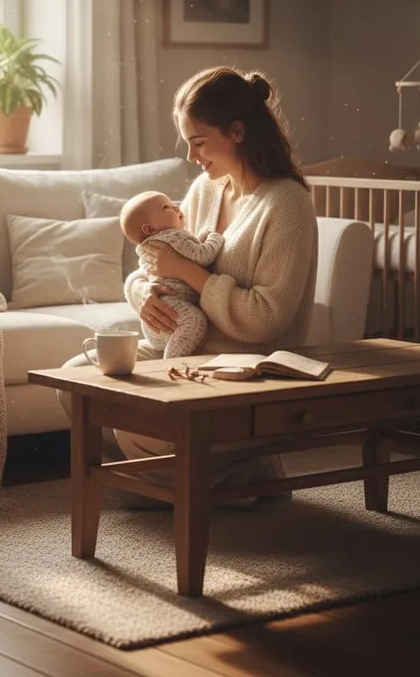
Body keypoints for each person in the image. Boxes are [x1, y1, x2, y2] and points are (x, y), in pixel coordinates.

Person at [60, 66, 318, 507]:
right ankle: (220, 479)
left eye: (198, 142)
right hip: (181, 350)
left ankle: (206, 478)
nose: (191, 155)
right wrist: (141, 292)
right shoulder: (205, 190)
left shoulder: (287, 203)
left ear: (237, 131)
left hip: (242, 366)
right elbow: (158, 259)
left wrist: (190, 272)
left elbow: (267, 320)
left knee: (141, 428)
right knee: (75, 383)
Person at [119, 190, 223, 359]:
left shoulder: (149, 245)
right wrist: (214, 237)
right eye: (166, 207)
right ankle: (171, 362)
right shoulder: (174, 236)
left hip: (156, 325)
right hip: (172, 308)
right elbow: (203, 255)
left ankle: (171, 357)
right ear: (150, 228)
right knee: (194, 321)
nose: (176, 207)